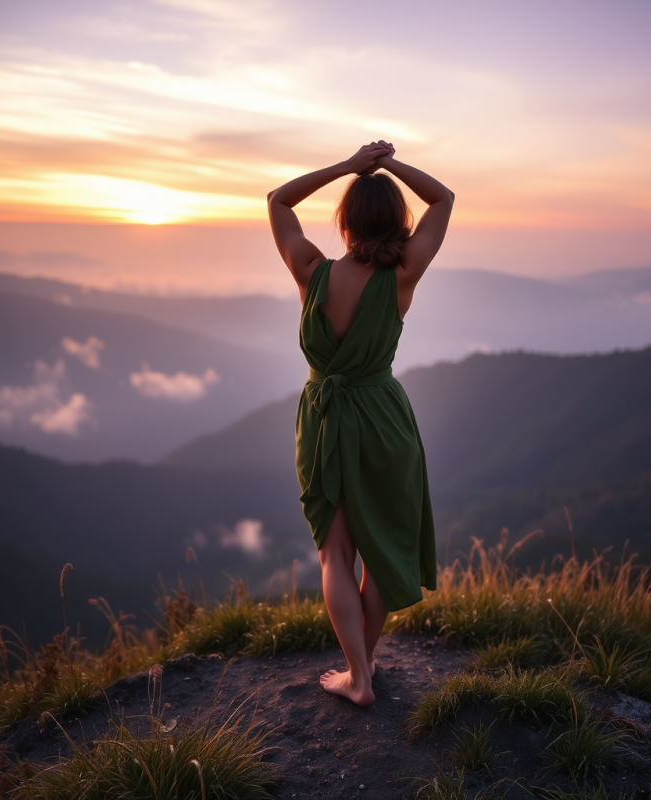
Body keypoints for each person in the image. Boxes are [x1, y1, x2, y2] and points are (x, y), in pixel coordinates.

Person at [267, 141, 454, 707]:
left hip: (325, 422)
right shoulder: (401, 275)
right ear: (397, 221)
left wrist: (349, 166)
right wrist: (390, 165)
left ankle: (359, 675)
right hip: (383, 422)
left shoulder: (312, 273)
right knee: (380, 554)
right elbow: (442, 198)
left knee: (336, 554)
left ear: (345, 220)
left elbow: (279, 200)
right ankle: (363, 667)